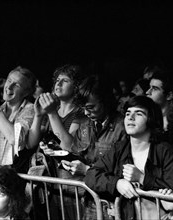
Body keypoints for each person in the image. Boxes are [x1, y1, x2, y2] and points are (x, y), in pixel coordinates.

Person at [85, 96, 173, 219]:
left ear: (150, 119)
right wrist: (117, 183)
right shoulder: (119, 148)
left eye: (139, 113)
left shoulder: (163, 150)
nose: (130, 117)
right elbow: (91, 175)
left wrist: (142, 178)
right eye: (127, 113)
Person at [51, 75, 127, 219]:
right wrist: (61, 156)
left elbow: (122, 172)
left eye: (91, 108)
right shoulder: (86, 125)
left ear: (106, 101)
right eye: (84, 108)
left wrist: (87, 170)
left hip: (114, 204)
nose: (86, 113)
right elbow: (77, 154)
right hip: (90, 200)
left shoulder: (123, 127)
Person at [28, 64, 85, 219]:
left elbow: (69, 146)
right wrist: (39, 115)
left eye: (64, 81)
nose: (58, 84)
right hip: (49, 180)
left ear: (76, 87)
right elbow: (31, 143)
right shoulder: (49, 110)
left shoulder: (80, 113)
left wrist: (52, 113)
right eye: (57, 80)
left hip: (69, 182)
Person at [0, 66, 37, 173]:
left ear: (26, 92)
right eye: (9, 80)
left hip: (16, 174)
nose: (9, 87)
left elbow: (14, 139)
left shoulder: (30, 109)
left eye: (17, 85)